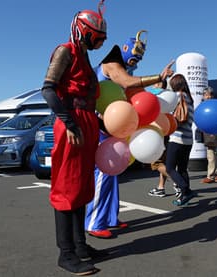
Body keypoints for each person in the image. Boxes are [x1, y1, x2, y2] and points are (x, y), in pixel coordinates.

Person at [84, 31, 174, 239]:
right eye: (134, 57)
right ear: (124, 49)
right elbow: (125, 82)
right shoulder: (112, 63)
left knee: (113, 171)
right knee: (103, 172)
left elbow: (132, 86)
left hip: (115, 124)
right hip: (102, 123)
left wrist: (159, 79)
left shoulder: (122, 66)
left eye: (138, 59)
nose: (136, 62)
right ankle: (94, 221)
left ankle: (110, 218)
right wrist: (158, 77)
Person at [41, 8, 107, 275]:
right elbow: (48, 89)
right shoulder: (65, 50)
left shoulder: (85, 57)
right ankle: (65, 253)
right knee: (66, 188)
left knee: (82, 187)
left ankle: (80, 246)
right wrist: (69, 122)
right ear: (85, 31)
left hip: (87, 122)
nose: (100, 42)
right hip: (72, 122)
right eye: (98, 37)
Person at [166, 74, 196, 206]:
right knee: (182, 169)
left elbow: (168, 110)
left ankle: (186, 190)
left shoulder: (177, 96)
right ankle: (185, 196)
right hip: (189, 139)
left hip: (177, 137)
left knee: (170, 168)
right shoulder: (190, 98)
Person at [200, 87, 217, 183]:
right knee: (214, 154)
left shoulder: (215, 105)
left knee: (211, 154)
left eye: (210, 94)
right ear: (203, 96)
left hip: (213, 132)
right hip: (206, 132)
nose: (208, 96)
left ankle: (211, 175)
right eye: (206, 95)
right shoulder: (203, 105)